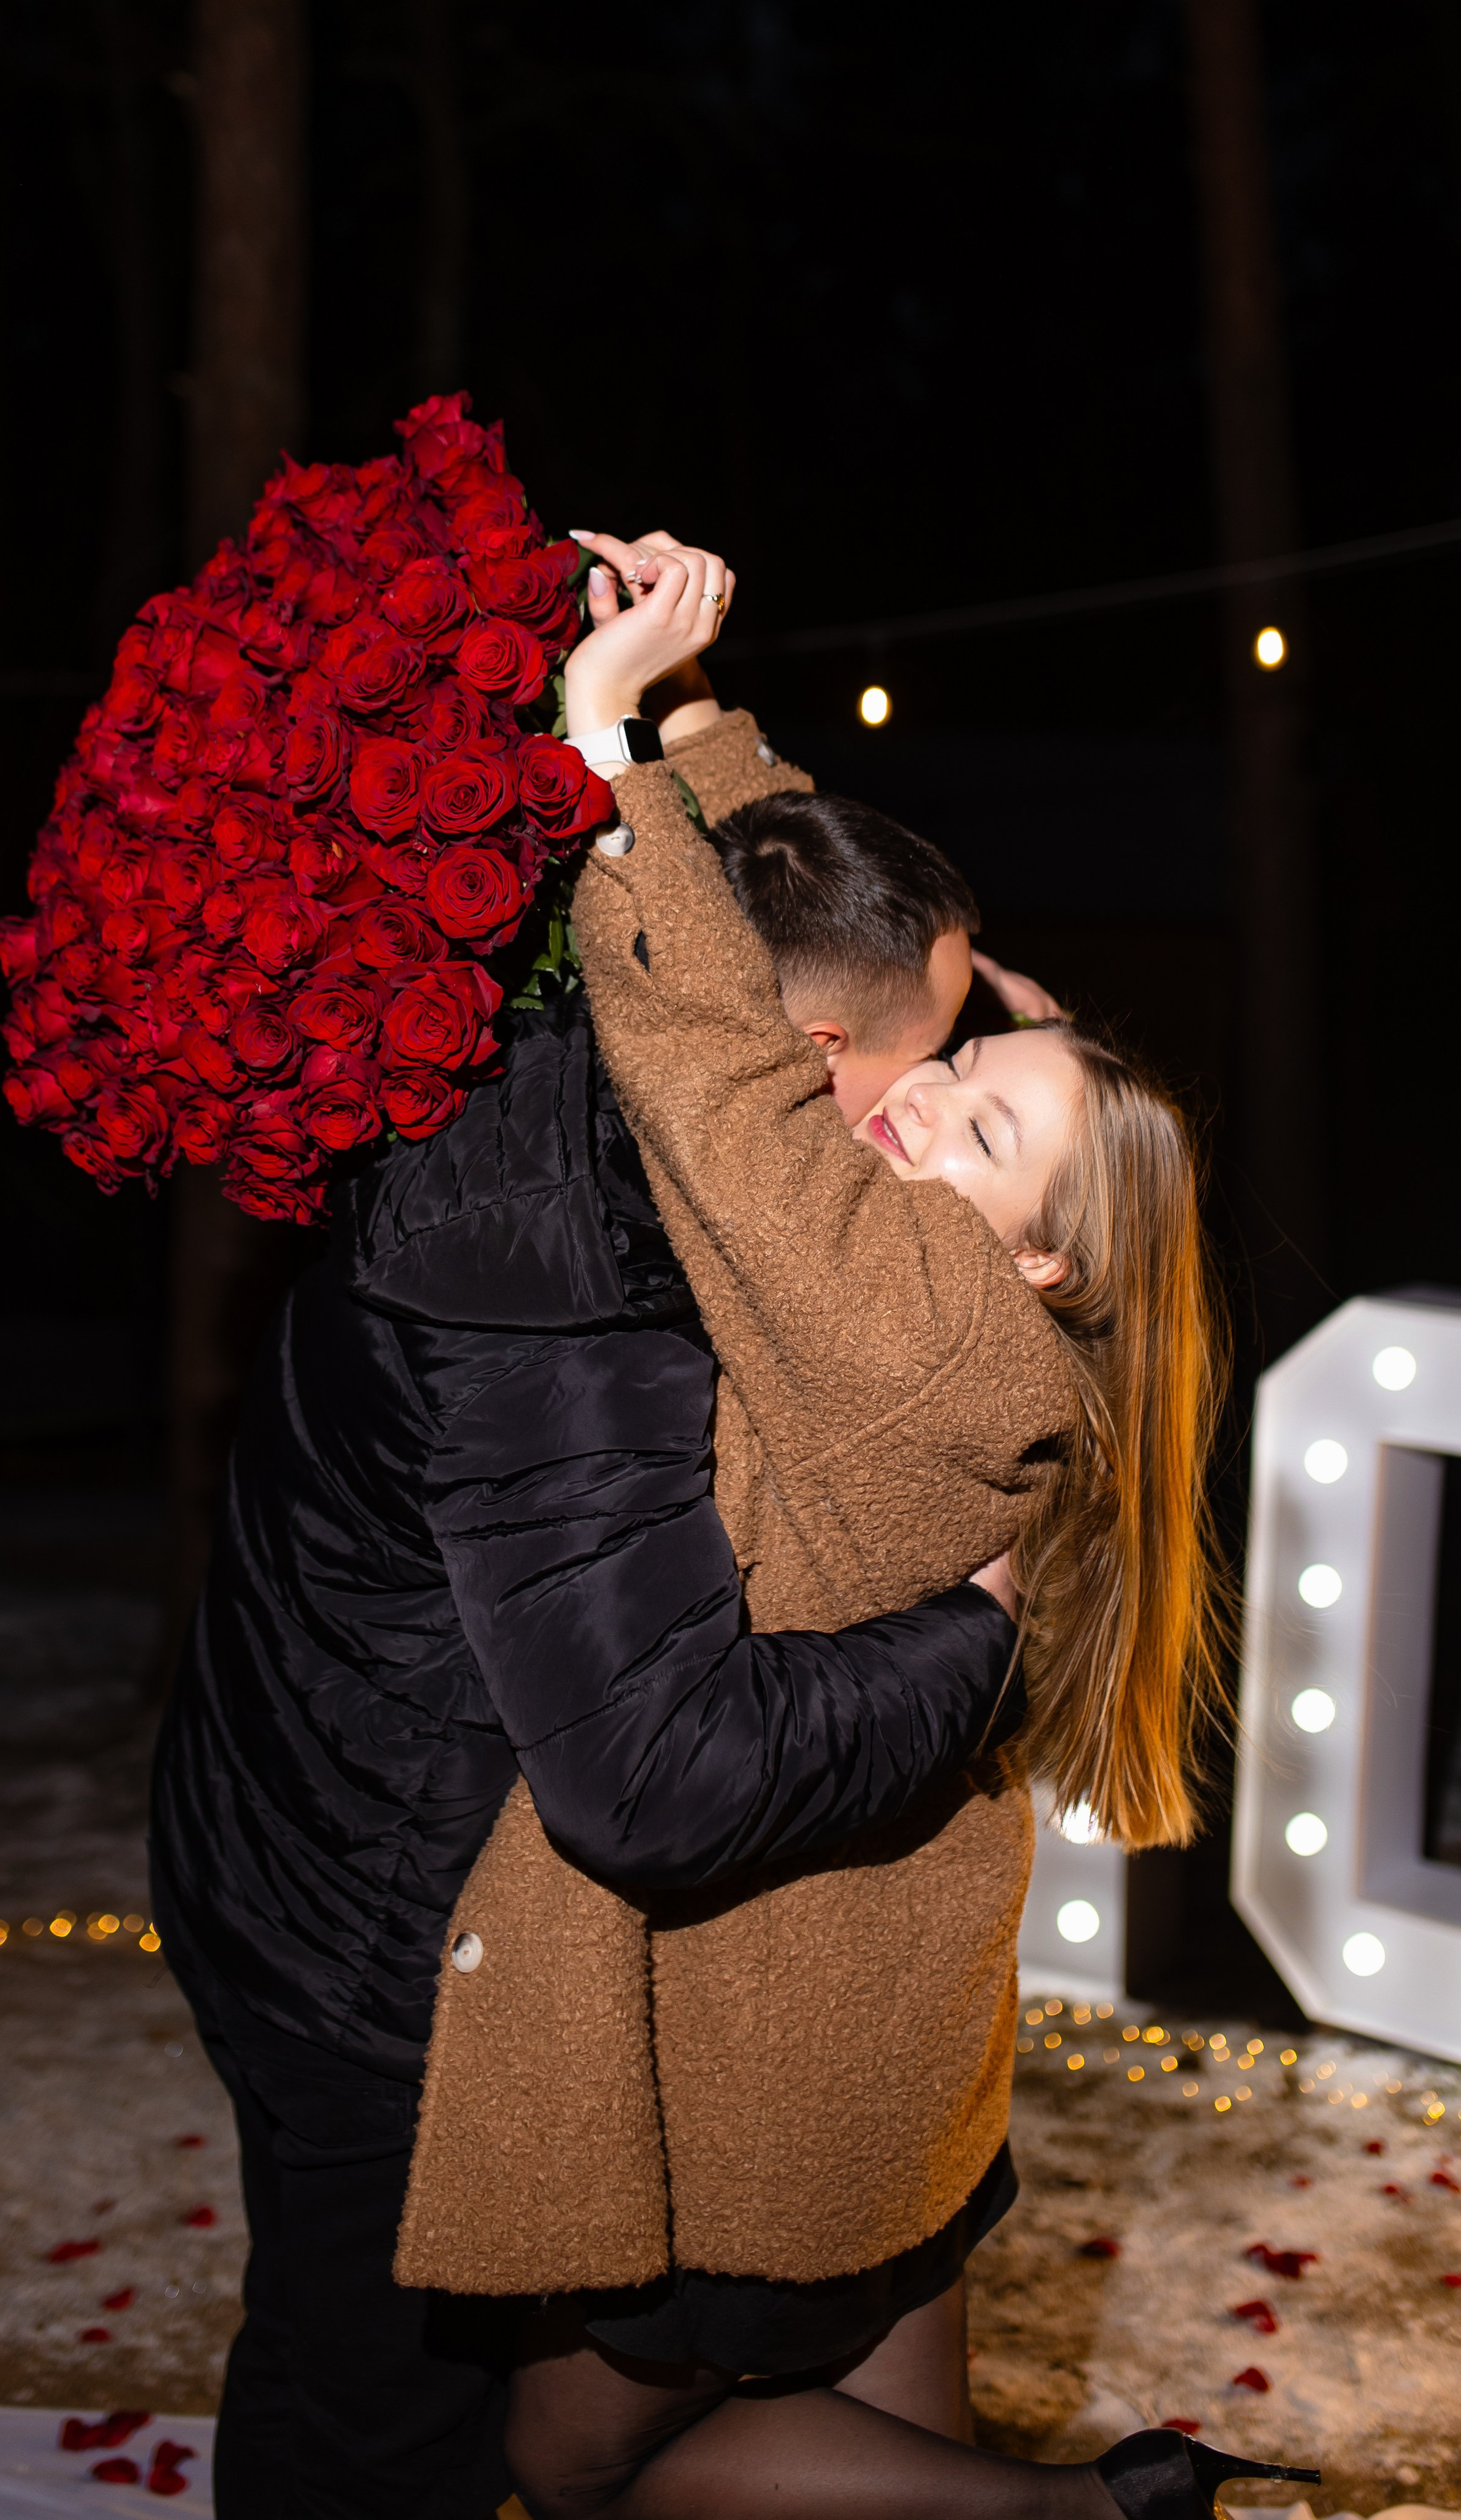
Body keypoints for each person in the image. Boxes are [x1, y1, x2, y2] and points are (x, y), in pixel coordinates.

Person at [148, 533, 1051, 2520]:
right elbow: (656, 1770)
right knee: (371, 2422)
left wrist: (675, 715)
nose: (935, 1113)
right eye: (938, 1072)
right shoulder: (570, 1275)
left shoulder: (634, 1002)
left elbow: (777, 915)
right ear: (816, 1075)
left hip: (334, 1792)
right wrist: (984, 1637)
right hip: (368, 1931)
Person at [474, 549, 1316, 2520]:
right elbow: (849, 1017)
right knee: (888, 2455)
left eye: (986, 1131)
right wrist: (715, 729)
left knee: (580, 2457)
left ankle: (1099, 2510)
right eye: (956, 1077)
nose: (920, 1111)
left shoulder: (926, 1317)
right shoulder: (1029, 1338)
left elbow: (736, 1077)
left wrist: (611, 736)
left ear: (1043, 1259)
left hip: (788, 1988)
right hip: (902, 1986)